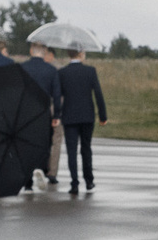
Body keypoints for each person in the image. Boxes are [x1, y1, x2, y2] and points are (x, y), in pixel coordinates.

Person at [55, 49, 107, 195]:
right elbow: (98, 93)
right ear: (81, 54)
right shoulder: (90, 71)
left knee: (71, 150)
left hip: (69, 116)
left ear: (68, 54)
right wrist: (102, 115)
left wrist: (57, 115)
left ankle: (74, 182)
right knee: (86, 148)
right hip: (87, 116)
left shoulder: (62, 73)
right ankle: (89, 180)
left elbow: (58, 96)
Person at [20, 43, 64, 188]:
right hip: (44, 111)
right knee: (44, 143)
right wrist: (56, 115)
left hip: (26, 111)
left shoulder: (22, 67)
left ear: (31, 51)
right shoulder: (51, 70)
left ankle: (27, 183)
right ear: (44, 52)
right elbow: (57, 95)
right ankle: (40, 167)